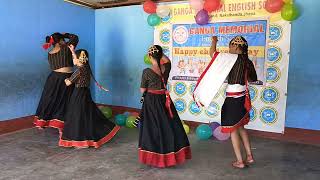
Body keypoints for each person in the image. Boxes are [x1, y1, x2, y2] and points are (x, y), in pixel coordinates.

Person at [193, 36, 257, 169]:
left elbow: (213, 54)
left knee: (233, 130)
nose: (229, 49)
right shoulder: (248, 61)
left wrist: (214, 41)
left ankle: (240, 161)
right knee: (241, 127)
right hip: (243, 98)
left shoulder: (230, 58)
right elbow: (252, 79)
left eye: (230, 46)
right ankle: (249, 156)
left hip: (233, 100)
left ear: (235, 47)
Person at [137, 45, 191, 168]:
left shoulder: (147, 72)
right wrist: (160, 54)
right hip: (165, 100)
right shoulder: (166, 68)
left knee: (152, 128)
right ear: (160, 55)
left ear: (149, 56)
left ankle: (156, 156)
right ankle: (170, 154)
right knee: (168, 126)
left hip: (151, 102)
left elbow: (142, 90)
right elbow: (168, 61)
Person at [59, 49, 120, 148]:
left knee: (77, 116)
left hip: (78, 94)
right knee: (88, 114)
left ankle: (80, 140)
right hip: (85, 93)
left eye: (74, 58)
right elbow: (78, 63)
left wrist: (65, 78)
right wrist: (73, 51)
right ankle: (90, 137)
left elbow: (68, 83)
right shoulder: (86, 68)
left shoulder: (78, 71)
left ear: (79, 59)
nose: (73, 60)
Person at [34, 33, 78, 131]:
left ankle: (46, 122)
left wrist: (59, 36)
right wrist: (65, 34)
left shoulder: (50, 53)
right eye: (63, 40)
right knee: (64, 101)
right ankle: (62, 126)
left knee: (52, 100)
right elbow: (75, 38)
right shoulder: (65, 49)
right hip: (65, 78)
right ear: (60, 41)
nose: (65, 42)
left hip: (53, 78)